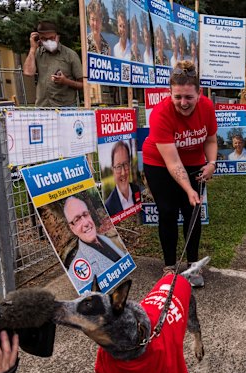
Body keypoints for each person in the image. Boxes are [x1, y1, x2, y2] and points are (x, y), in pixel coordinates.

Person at [142, 60, 218, 288]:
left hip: (194, 162)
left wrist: (212, 163)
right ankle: (169, 267)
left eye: (189, 97)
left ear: (199, 93)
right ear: (170, 93)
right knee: (167, 212)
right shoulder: (160, 114)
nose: (183, 103)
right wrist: (188, 190)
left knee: (192, 213)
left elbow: (211, 140)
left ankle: (193, 265)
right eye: (178, 97)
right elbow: (173, 162)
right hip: (160, 164)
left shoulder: (206, 107)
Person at [63, 196, 125, 290]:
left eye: (85, 214)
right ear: (72, 229)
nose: (86, 223)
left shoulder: (107, 239)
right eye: (77, 219)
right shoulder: (76, 269)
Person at [23, 21, 83, 107]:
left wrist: (65, 81)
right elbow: (28, 73)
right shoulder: (37, 53)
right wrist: (32, 48)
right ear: (39, 38)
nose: (48, 41)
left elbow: (83, 84)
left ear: (58, 36)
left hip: (66, 106)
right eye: (44, 39)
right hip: (43, 106)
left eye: (52, 38)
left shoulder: (70, 55)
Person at [105, 141, 141, 216]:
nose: (123, 173)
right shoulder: (108, 208)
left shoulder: (139, 191)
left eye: (125, 164)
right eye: (118, 166)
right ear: (113, 170)